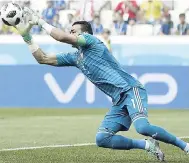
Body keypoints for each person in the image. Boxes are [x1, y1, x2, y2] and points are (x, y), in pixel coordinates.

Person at [11, 7, 189, 162]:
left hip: (130, 89)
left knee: (142, 127)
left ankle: (185, 146)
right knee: (102, 138)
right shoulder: (75, 57)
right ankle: (147, 145)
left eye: (74, 31)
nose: (71, 33)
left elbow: (62, 37)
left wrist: (40, 21)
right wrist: (26, 34)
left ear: (85, 33)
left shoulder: (92, 42)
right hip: (119, 101)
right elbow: (43, 58)